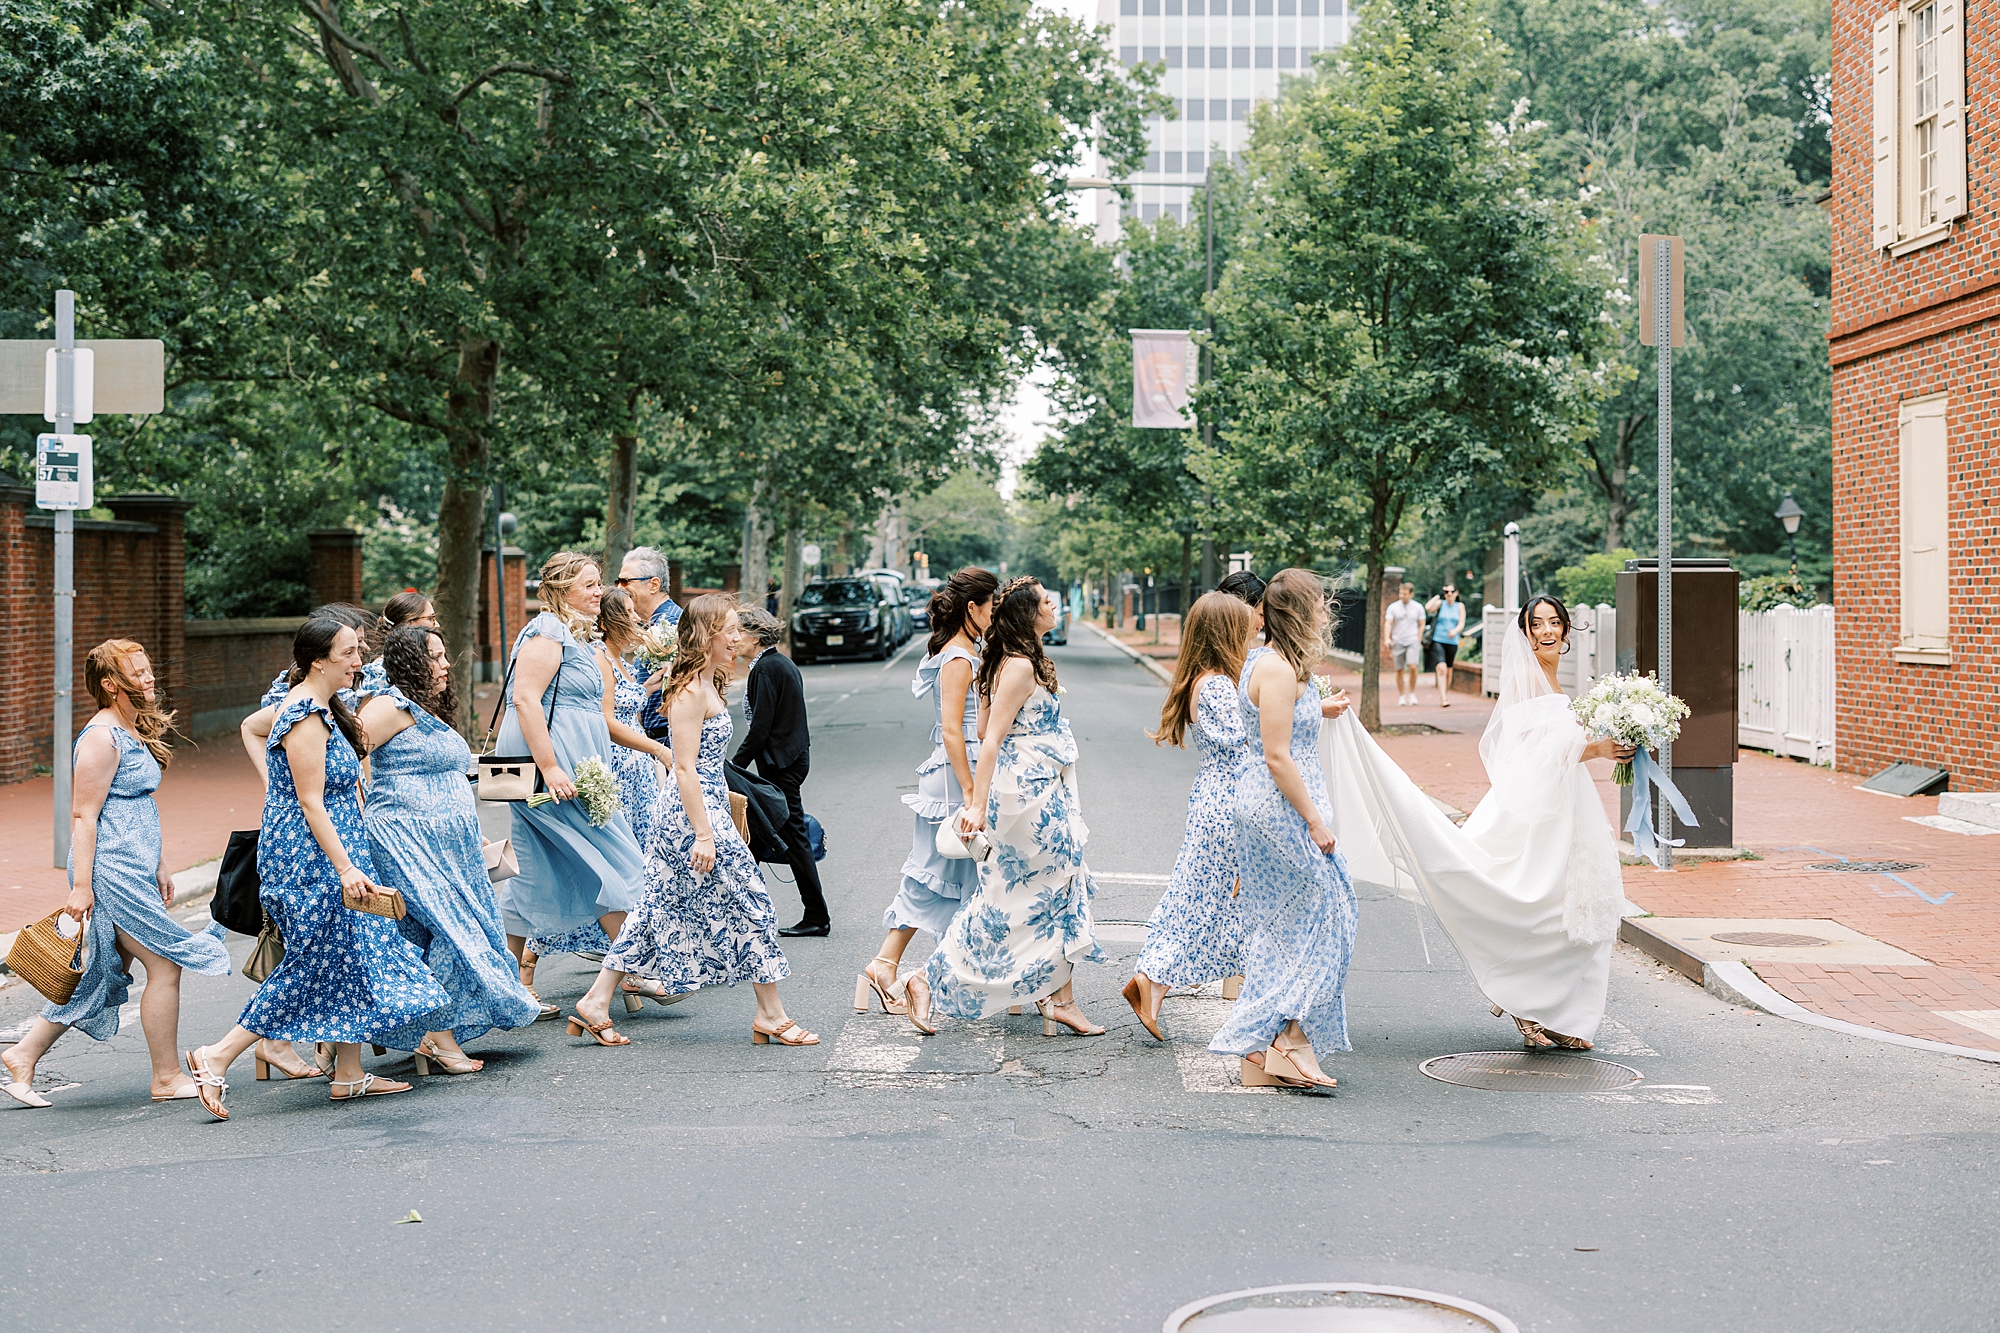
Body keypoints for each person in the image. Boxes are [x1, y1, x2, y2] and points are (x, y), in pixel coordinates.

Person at [1321, 593, 1632, 1049]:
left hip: (1569, 804)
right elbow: (1533, 752)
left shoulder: (1556, 678)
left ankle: (1555, 1013)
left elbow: (1558, 746)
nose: (1547, 631)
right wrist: (1599, 749)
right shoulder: (1527, 677)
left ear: (1566, 630)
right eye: (1537, 624)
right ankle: (1529, 1005)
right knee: (1540, 907)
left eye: (1554, 623)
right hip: (1538, 812)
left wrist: (1611, 738)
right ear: (1525, 633)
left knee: (1577, 907)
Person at [181, 618, 449, 1119]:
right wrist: (345, 865)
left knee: (350, 955)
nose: (359, 660)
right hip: (313, 857)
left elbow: (270, 747)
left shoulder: (323, 708)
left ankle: (348, 1075)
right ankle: (216, 1055)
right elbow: (310, 801)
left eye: (358, 650)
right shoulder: (305, 713)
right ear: (318, 660)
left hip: (333, 848)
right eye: (349, 652)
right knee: (312, 962)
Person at [566, 596, 814, 1048]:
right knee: (752, 901)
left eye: (739, 631)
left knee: (655, 907)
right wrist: (703, 832)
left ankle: (595, 1001)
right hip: (689, 814)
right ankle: (771, 1013)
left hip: (703, 807)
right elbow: (684, 768)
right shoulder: (687, 692)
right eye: (732, 631)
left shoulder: (707, 683)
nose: (738, 639)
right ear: (708, 635)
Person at [1, 641, 232, 1108]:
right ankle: (166, 1077)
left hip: (135, 863)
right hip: (110, 869)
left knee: (104, 972)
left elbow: (137, 806)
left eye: (148, 671)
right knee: (165, 963)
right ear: (110, 685)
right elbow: (85, 816)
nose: (149, 679)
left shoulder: (130, 727)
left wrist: (160, 862)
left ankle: (23, 1054)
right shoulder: (101, 738)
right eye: (138, 674)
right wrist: (83, 887)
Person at [358, 625, 542, 1073]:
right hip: (405, 838)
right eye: (436, 657)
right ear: (410, 663)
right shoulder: (387, 707)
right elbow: (339, 759)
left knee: (437, 935)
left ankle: (432, 1032)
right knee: (450, 930)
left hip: (449, 845)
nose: (446, 665)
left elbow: (452, 776)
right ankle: (438, 1040)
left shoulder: (426, 709)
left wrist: (523, 784)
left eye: (443, 656)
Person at [927, 578, 1104, 1037]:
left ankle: (1060, 998)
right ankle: (925, 979)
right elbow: (989, 740)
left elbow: (987, 720)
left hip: (1038, 788)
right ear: (1029, 613)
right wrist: (976, 804)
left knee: (1039, 894)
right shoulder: (1020, 665)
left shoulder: (1012, 661)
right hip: (1030, 797)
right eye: (1046, 601)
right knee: (1030, 897)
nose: (1053, 605)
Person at [1209, 568, 1353, 1094]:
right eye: (1319, 605)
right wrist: (1314, 820)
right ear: (1299, 614)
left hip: (1276, 807)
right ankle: (1285, 1039)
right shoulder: (1276, 669)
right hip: (1278, 812)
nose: (1326, 613)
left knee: (1283, 927)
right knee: (1328, 915)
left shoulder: (1284, 667)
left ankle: (1267, 1049)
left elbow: (1288, 727)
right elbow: (1276, 754)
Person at [495, 552, 646, 992]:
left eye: (598, 583)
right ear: (562, 590)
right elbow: (524, 700)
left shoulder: (573, 635)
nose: (599, 591)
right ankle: (634, 968)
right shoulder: (546, 632)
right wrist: (552, 767)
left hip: (570, 766)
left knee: (531, 872)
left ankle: (509, 984)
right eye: (590, 584)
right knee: (615, 861)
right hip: (548, 771)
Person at [857, 566, 998, 1033]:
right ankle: (903, 971)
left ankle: (889, 966)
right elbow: (953, 730)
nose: (994, 611)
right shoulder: (959, 657)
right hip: (957, 777)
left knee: (949, 878)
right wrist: (973, 791)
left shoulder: (960, 651)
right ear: (971, 608)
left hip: (959, 774)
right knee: (946, 874)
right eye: (990, 604)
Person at [517, 586, 675, 990]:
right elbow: (545, 703)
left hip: (627, 773)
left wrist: (660, 680)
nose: (638, 618)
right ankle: (626, 968)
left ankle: (628, 969)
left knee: (593, 869)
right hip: (601, 769)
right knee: (593, 867)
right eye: (629, 612)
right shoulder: (573, 646)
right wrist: (553, 765)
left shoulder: (616, 660)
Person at [1122, 593, 1258, 1041]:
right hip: (1229, 805)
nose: (1253, 632)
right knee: (1214, 904)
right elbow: (1248, 747)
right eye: (1245, 627)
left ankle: (1153, 984)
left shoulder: (1206, 680)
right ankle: (1158, 979)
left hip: (1213, 799)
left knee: (1194, 898)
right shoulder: (1218, 686)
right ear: (1226, 634)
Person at [732, 605, 829, 936]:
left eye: (739, 633)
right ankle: (740, 914)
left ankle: (816, 916)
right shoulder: (775, 664)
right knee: (759, 836)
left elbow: (761, 728)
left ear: (756, 636)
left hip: (782, 763)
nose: (734, 639)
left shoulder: (767, 669)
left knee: (792, 837)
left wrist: (733, 767)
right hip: (790, 758)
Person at [616, 546, 684, 745]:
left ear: (654, 585)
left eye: (626, 581)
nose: (619, 588)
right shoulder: (651, 623)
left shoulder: (670, 625)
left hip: (666, 737)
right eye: (618, 581)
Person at [1385, 581, 1426, 708]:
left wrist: (1418, 639)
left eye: (1404, 594)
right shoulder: (1393, 607)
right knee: (1399, 670)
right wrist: (1387, 638)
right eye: (1400, 593)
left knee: (1413, 667)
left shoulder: (1418, 607)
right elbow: (1388, 623)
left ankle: (1412, 693)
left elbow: (1421, 623)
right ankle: (1402, 695)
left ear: (1411, 594)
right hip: (1398, 641)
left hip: (1412, 640)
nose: (1401, 596)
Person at [1425, 585, 1467, 707]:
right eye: (1446, 591)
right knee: (1441, 667)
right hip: (1438, 639)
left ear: (1456, 593)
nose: (1449, 594)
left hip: (1452, 641)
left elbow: (1461, 623)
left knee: (1448, 671)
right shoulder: (1440, 603)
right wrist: (1438, 595)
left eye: (1451, 591)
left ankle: (1445, 694)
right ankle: (1443, 697)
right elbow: (1428, 607)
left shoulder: (1460, 606)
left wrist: (1454, 631)